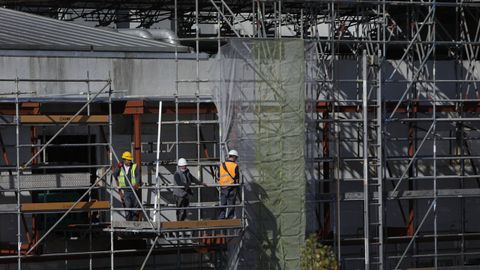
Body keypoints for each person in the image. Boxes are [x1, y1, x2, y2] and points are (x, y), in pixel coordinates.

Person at [113, 151, 141, 221]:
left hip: (134, 191)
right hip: (126, 192)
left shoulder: (134, 166)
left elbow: (138, 176)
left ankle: (135, 228)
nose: (129, 161)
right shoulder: (120, 167)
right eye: (128, 160)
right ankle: (129, 229)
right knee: (128, 209)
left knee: (135, 210)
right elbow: (114, 175)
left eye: (130, 160)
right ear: (124, 160)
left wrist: (137, 183)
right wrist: (118, 168)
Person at [218, 150, 240, 219]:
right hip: (232, 187)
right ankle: (230, 217)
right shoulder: (235, 165)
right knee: (231, 203)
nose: (236, 159)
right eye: (236, 158)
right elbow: (237, 177)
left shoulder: (222, 165)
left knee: (223, 203)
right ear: (233, 157)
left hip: (223, 187)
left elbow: (219, 176)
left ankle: (222, 217)